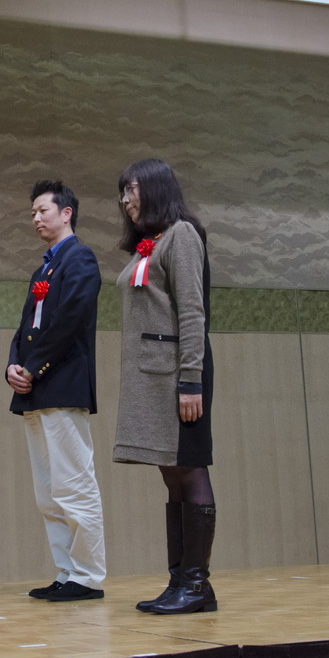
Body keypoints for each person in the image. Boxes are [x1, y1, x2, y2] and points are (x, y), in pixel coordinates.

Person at [113, 158, 217, 615]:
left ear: (154, 188)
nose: (125, 200)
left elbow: (193, 312)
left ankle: (197, 585)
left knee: (190, 471)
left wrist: (190, 380)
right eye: (122, 193)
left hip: (180, 376)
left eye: (130, 190)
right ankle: (178, 580)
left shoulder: (183, 236)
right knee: (170, 475)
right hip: (152, 379)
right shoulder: (146, 246)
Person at [7, 180, 107, 602]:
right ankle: (66, 571)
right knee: (48, 491)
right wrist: (13, 364)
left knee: (74, 483)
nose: (35, 218)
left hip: (62, 385)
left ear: (66, 213)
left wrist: (33, 366)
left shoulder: (80, 258)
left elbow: (70, 320)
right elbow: (26, 324)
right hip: (36, 389)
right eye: (32, 213)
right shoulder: (42, 268)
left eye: (42, 210)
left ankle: (87, 576)